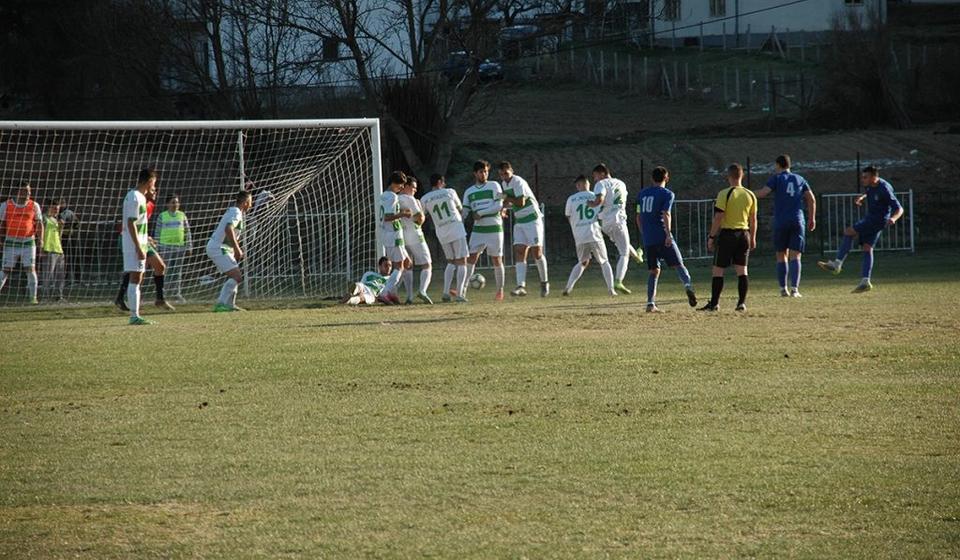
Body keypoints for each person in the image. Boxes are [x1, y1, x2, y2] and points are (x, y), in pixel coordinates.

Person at [817, 166, 903, 292]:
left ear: (874, 177)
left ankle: (837, 264)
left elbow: (899, 208)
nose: (862, 180)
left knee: (849, 232)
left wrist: (894, 218)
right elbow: (868, 192)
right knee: (867, 248)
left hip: (876, 220)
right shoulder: (870, 185)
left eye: (865, 177)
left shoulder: (884, 189)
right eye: (862, 177)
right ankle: (865, 281)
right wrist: (862, 197)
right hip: (874, 219)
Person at [635, 166, 697, 312]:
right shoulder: (667, 194)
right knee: (679, 265)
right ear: (667, 178)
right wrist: (668, 234)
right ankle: (688, 286)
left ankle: (650, 303)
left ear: (652, 178)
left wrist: (644, 233)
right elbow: (666, 213)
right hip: (663, 236)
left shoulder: (642, 194)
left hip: (649, 238)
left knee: (654, 271)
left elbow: (638, 216)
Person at [755, 154, 816, 297]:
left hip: (781, 221)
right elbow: (811, 199)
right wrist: (812, 218)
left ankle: (783, 289)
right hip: (797, 220)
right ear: (789, 165)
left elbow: (763, 193)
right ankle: (795, 289)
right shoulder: (800, 179)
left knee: (781, 256)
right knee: (796, 256)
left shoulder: (776, 178)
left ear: (778, 165)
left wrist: (746, 193)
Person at [700, 163, 758, 312]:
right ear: (742, 176)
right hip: (744, 234)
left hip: (728, 234)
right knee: (742, 270)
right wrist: (753, 238)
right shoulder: (750, 194)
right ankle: (741, 303)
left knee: (718, 270)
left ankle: (714, 303)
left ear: (728, 177)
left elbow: (719, 216)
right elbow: (753, 219)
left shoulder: (724, 193)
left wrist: (711, 236)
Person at [114, 185, 173, 312]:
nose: (155, 192)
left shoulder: (150, 205)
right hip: (130, 240)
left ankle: (159, 299)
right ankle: (124, 300)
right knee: (136, 272)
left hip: (143, 240)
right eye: (152, 189)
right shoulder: (136, 202)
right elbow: (132, 224)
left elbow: (141, 225)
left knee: (159, 266)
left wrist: (148, 237)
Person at [588, 163, 643, 294]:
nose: (595, 179)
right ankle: (619, 281)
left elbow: (599, 199)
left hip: (605, 223)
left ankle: (637, 256)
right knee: (624, 253)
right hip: (618, 220)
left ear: (602, 173)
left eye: (595, 176)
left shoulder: (601, 184)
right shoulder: (622, 183)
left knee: (623, 244)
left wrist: (591, 204)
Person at [498, 161, 549, 297]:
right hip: (519, 221)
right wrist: (503, 208)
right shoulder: (504, 184)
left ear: (512, 171)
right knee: (520, 251)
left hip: (532, 219)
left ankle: (544, 282)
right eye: (502, 174)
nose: (505, 176)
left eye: (506, 173)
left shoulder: (518, 182)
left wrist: (504, 197)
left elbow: (520, 202)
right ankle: (521, 286)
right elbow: (508, 201)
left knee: (537, 252)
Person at [562, 175, 616, 297]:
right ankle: (611, 290)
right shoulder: (595, 196)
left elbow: (568, 216)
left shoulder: (571, 199)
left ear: (578, 185)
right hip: (594, 233)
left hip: (579, 236)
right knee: (604, 261)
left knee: (582, 262)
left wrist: (577, 226)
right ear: (588, 184)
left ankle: (568, 287)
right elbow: (602, 212)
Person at [421, 174, 470, 303]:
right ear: (440, 182)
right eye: (443, 182)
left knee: (450, 261)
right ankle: (459, 294)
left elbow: (421, 216)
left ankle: (445, 292)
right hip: (456, 228)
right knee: (462, 261)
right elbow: (460, 209)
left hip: (442, 232)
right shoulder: (450, 192)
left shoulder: (425, 198)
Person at [462, 160, 506, 301]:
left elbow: (499, 205)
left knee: (496, 259)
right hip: (478, 230)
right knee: (471, 258)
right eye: (481, 172)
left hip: (494, 228)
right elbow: (464, 212)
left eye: (486, 171)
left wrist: (480, 213)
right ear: (475, 173)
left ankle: (500, 290)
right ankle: (462, 291)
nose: (484, 174)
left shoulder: (494, 185)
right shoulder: (469, 192)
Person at [121, 168, 158, 325]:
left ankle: (135, 314)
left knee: (138, 277)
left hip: (140, 242)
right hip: (132, 244)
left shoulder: (141, 198)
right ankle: (134, 315)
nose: (154, 186)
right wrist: (138, 246)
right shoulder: (134, 197)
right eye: (154, 183)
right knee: (135, 277)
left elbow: (139, 223)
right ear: (149, 181)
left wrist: (146, 238)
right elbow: (130, 223)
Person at [207, 190, 253, 312]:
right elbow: (228, 228)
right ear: (245, 202)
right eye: (250, 202)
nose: (251, 205)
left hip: (222, 248)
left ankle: (230, 305)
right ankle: (221, 304)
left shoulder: (235, 211)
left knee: (235, 276)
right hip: (218, 248)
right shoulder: (236, 212)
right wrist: (237, 248)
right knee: (237, 276)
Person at [0, 182, 43, 304]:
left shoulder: (34, 205)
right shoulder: (5, 205)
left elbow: (39, 224)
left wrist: (41, 239)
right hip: (11, 242)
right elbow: (1, 224)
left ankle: (33, 298)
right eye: (25, 191)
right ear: (17, 191)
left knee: (31, 269)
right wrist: (1, 240)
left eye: (29, 191)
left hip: (28, 243)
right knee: (6, 270)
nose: (29, 193)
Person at [397, 176, 433, 304]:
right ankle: (422, 291)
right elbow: (419, 218)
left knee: (408, 265)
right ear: (406, 186)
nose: (414, 191)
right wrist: (421, 213)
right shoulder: (410, 199)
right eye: (413, 188)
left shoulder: (395, 199)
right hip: (415, 234)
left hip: (402, 235)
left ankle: (409, 296)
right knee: (427, 264)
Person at [379, 171, 412, 305]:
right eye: (401, 185)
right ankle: (385, 292)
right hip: (393, 233)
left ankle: (392, 292)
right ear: (394, 183)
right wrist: (402, 214)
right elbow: (387, 217)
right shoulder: (392, 197)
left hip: (388, 234)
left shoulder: (382, 196)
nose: (402, 188)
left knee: (405, 263)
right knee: (400, 266)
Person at [155, 194, 193, 304]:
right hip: (165, 247)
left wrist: (189, 245)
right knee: (165, 270)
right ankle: (164, 293)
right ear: (167, 204)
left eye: (177, 202)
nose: (175, 204)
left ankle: (177, 293)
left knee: (177, 271)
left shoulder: (182, 215)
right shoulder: (162, 216)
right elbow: (157, 232)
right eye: (173, 202)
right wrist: (157, 247)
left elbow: (187, 231)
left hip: (179, 247)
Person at [40, 198, 66, 302]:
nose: (57, 210)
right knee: (48, 274)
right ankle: (45, 297)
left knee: (60, 275)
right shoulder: (44, 218)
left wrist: (61, 227)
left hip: (58, 249)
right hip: (48, 249)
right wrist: (41, 247)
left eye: (58, 209)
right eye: (55, 208)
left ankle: (58, 296)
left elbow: (59, 237)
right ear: (49, 207)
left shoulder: (56, 220)